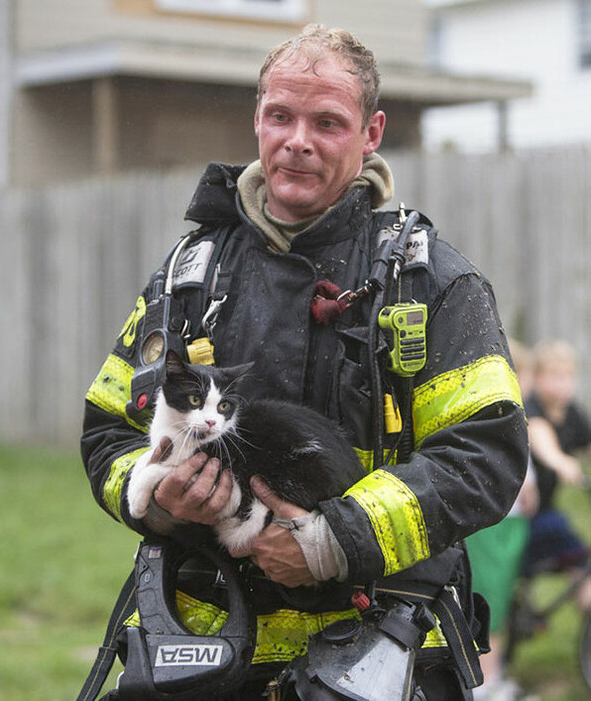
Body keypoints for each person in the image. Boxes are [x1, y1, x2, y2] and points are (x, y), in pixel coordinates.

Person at [81, 24, 528, 701]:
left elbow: (485, 453)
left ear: (371, 132)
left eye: (327, 121)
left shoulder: (430, 283)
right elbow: (108, 430)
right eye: (280, 115)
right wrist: (161, 498)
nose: (298, 139)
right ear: (257, 118)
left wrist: (335, 538)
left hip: (380, 651)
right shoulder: (186, 278)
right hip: (201, 650)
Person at [467, 339, 539, 701]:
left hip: (513, 525)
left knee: (502, 600)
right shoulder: (488, 417)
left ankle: (494, 676)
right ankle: (483, 682)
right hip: (490, 526)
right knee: (488, 599)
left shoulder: (521, 419)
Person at [521, 339, 591, 610]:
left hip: (547, 514)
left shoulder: (571, 412)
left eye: (568, 376)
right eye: (555, 376)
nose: (563, 384)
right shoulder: (532, 408)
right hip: (519, 518)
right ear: (538, 378)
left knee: (580, 560)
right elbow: (540, 437)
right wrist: (561, 462)